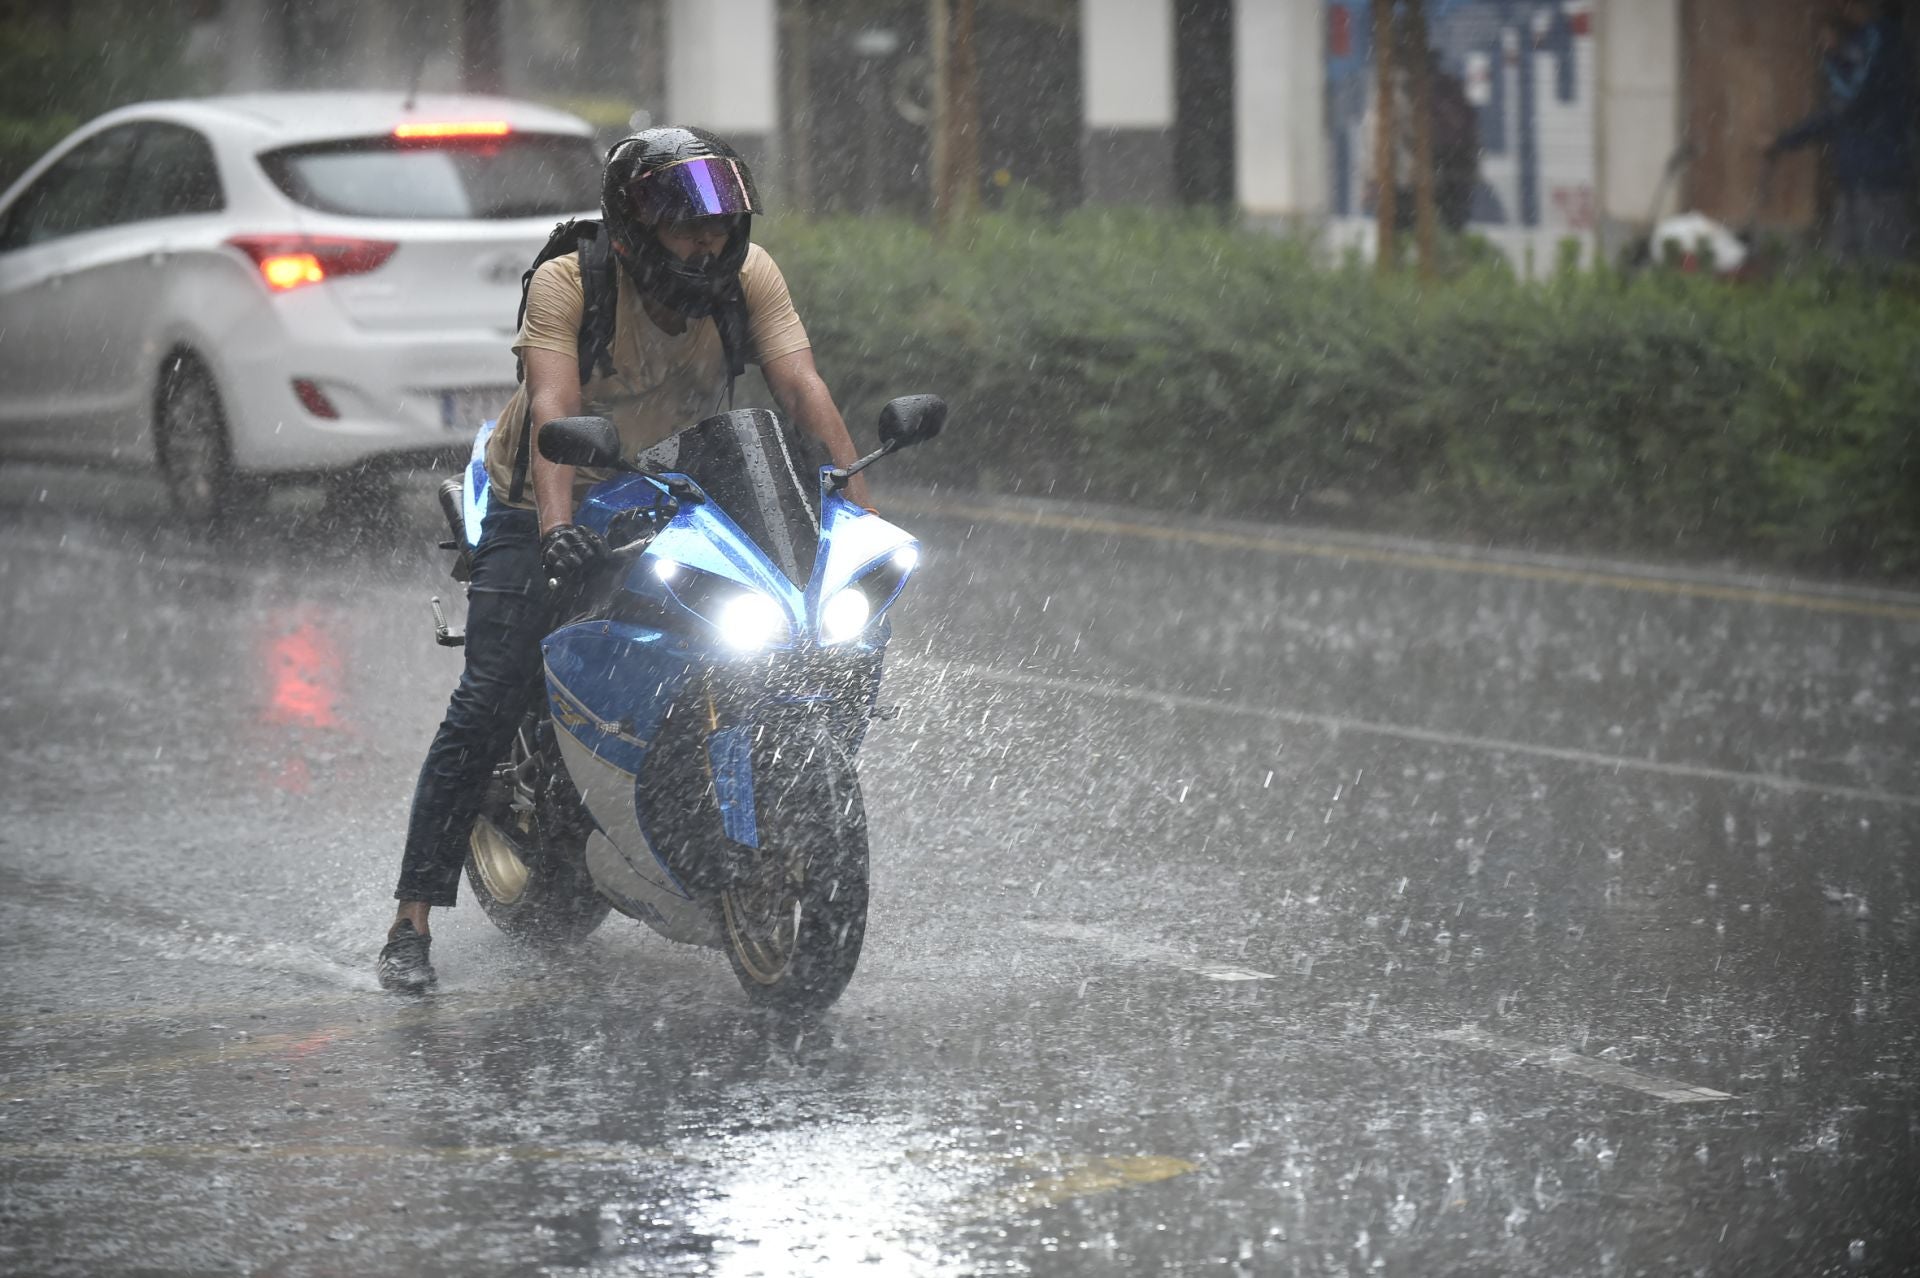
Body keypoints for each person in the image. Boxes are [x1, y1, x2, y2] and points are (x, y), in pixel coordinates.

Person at [378, 126, 874, 992]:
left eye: (719, 226)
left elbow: (801, 387)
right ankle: (410, 920)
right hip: (544, 495)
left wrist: (856, 508)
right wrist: (558, 531)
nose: (706, 243)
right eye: (687, 228)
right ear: (636, 228)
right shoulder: (569, 283)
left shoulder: (750, 278)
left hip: (679, 489)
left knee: (799, 637)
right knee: (490, 693)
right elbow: (554, 415)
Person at [1765, 0, 1915, 265]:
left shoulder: (1876, 50)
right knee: (1846, 260)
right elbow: (1834, 116)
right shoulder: (1846, 64)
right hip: (1853, 175)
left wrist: (1785, 140)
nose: (1822, 45)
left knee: (1885, 261)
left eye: (1825, 37)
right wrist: (1784, 141)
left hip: (1880, 176)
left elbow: (1842, 111)